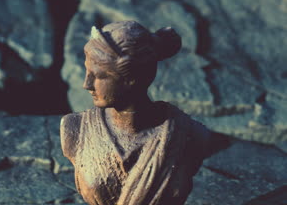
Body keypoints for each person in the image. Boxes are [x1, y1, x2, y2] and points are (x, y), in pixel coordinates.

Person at [60, 21, 211, 205]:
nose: (87, 84)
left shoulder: (190, 135)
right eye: (87, 72)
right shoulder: (74, 129)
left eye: (99, 76)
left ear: (130, 79)